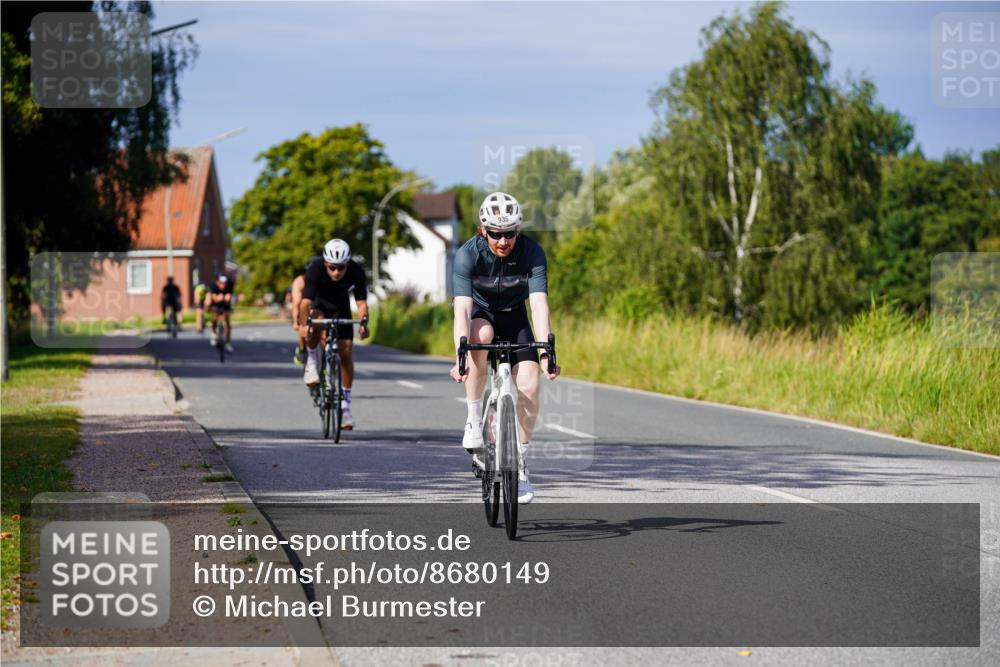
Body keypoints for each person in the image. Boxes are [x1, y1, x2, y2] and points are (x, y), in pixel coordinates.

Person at [449, 192, 560, 504]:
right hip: (482, 315)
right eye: (495, 234)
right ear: (484, 230)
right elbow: (462, 309)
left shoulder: (532, 253)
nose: (502, 241)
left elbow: (539, 305)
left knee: (530, 384)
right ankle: (473, 417)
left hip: (515, 318)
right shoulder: (467, 255)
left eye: (509, 233)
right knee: (478, 335)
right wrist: (461, 354)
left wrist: (545, 353)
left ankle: (521, 464)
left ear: (518, 230)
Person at [300, 239, 369, 430]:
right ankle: (312, 363)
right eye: (332, 268)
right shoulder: (315, 270)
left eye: (341, 268)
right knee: (315, 322)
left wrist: (363, 323)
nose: (336, 272)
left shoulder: (356, 271)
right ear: (325, 265)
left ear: (347, 264)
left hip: (341, 309)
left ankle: (346, 408)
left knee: (346, 353)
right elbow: (305, 303)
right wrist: (305, 325)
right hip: (319, 306)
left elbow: (362, 304)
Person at [290, 256, 322, 365]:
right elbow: (296, 303)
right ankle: (302, 348)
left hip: (318, 305)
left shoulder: (325, 279)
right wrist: (296, 321)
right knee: (303, 326)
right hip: (304, 306)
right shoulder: (300, 282)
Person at [205, 274, 234, 352]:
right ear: (217, 282)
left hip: (225, 304)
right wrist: (217, 298)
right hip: (215, 303)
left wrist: (226, 298)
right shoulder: (213, 286)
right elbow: (213, 297)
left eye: (224, 283)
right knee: (214, 317)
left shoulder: (229, 285)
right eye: (221, 283)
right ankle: (214, 332)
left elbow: (229, 296)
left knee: (227, 322)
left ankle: (228, 342)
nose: (223, 285)